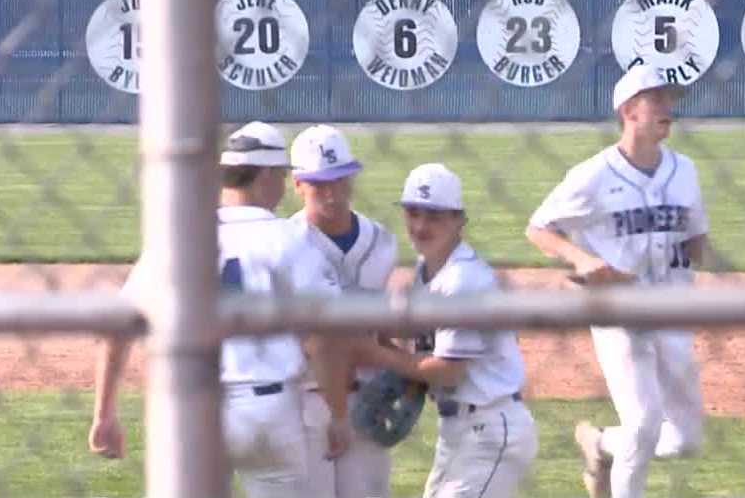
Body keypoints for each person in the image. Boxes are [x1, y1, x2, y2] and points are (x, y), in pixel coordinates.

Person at [88, 121, 350, 498]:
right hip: (268, 411)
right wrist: (337, 414)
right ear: (269, 175)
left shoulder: (180, 237)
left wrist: (104, 415)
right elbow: (323, 340)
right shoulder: (291, 240)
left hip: (189, 407)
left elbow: (118, 327)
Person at [525, 64, 711, 498]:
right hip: (617, 313)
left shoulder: (684, 170)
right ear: (629, 109)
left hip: (672, 310)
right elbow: (539, 227)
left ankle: (602, 443)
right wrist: (582, 259)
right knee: (644, 424)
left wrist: (698, 254)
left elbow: (697, 235)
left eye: (671, 100)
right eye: (657, 99)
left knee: (685, 439)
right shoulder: (594, 175)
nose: (668, 108)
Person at [354, 163, 539, 498]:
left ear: (459, 221)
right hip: (458, 431)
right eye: (413, 213)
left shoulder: (463, 280)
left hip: (491, 428)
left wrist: (377, 353)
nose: (421, 226)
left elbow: (448, 372)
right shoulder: (428, 270)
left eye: (435, 216)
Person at [288, 124, 399, 498]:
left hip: (367, 400)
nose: (332, 194)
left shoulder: (382, 242)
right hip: (305, 402)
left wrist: (404, 368)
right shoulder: (283, 246)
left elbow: (382, 325)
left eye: (340, 180)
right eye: (320, 184)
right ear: (297, 184)